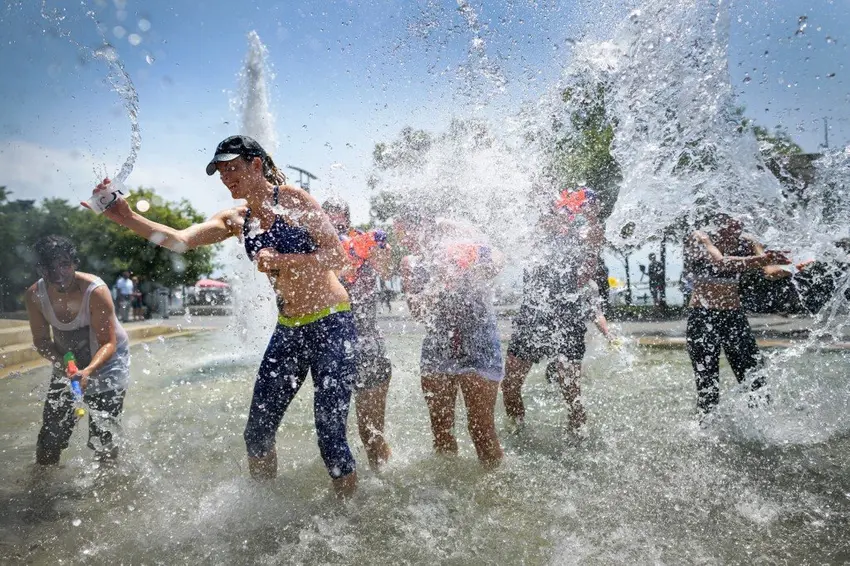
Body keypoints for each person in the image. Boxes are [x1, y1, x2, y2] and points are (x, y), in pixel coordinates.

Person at [84, 135, 358, 497]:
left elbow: (338, 258)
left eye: (233, 168)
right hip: (290, 327)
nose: (226, 178)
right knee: (257, 434)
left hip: (331, 322)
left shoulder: (293, 200)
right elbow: (180, 240)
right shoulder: (237, 219)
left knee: (331, 436)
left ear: (256, 165)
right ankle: (264, 505)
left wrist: (283, 260)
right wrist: (126, 216)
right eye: (221, 172)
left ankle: (349, 514)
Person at [396, 208, 504, 467]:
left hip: (479, 343)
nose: (406, 238)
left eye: (410, 229)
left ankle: (495, 487)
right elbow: (418, 312)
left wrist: (468, 257)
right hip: (438, 348)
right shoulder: (411, 263)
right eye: (402, 232)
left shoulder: (466, 249)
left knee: (481, 430)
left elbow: (498, 261)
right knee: (441, 432)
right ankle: (449, 485)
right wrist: (439, 283)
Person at [501, 186, 605, 435]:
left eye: (553, 212)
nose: (547, 217)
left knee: (570, 391)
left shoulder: (580, 237)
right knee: (510, 385)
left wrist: (591, 219)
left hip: (567, 317)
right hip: (532, 316)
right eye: (545, 213)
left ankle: (578, 437)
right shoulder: (533, 239)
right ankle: (518, 431)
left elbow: (586, 269)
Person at [25, 235, 131, 465]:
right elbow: (41, 341)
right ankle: (42, 480)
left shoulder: (95, 291)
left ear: (75, 263)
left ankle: (108, 480)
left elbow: (108, 343)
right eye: (49, 267)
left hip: (107, 362)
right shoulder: (35, 295)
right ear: (40, 269)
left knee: (103, 437)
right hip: (67, 363)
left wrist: (88, 371)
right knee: (50, 436)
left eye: (64, 264)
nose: (58, 273)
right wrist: (64, 364)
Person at [682, 213, 790, 418]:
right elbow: (722, 263)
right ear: (719, 220)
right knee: (708, 386)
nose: (736, 229)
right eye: (731, 224)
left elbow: (771, 271)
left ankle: (761, 426)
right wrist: (762, 259)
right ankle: (705, 430)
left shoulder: (748, 242)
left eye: (739, 225)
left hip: (734, 317)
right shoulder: (701, 237)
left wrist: (791, 267)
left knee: (755, 380)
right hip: (702, 318)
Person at [321, 198, 393, 470]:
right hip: (330, 349)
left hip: (368, 345)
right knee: (331, 434)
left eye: (339, 216)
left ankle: (383, 479)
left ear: (347, 219)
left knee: (370, 433)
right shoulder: (316, 248)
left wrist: (379, 247)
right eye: (328, 217)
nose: (334, 221)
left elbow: (386, 269)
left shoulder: (363, 242)